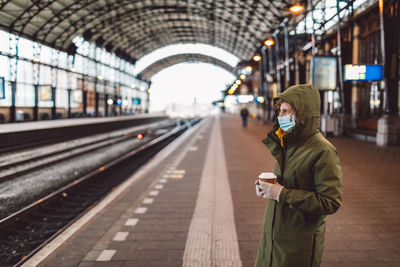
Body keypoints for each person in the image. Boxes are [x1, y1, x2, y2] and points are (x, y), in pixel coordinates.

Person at [254, 84, 343, 267]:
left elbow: (330, 201)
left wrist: (280, 193)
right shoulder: (289, 143)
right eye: (280, 111)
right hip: (273, 241)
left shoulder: (323, 151)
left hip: (298, 246)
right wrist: (268, 189)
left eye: (286, 111)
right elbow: (287, 184)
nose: (281, 116)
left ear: (302, 113)